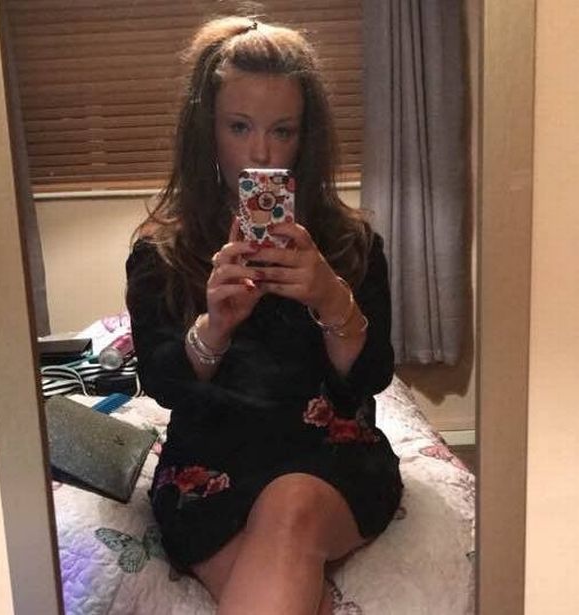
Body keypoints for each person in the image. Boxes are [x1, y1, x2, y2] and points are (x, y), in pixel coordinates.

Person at [126, 16, 403, 615]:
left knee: (291, 506)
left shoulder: (350, 243)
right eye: (239, 127)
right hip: (209, 466)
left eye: (282, 130)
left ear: (306, 137)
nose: (260, 153)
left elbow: (370, 377)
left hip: (331, 456)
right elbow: (163, 384)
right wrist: (215, 328)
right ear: (207, 131)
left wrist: (332, 300)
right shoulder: (162, 251)